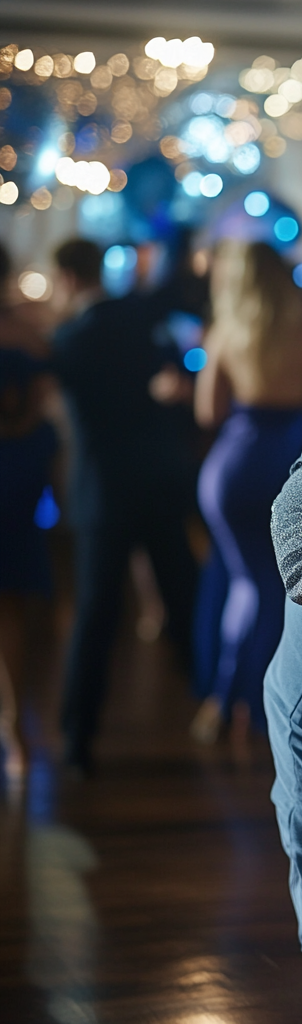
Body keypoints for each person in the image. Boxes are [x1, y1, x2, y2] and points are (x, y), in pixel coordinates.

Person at [50, 239, 198, 774]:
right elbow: (176, 370)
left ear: (65, 277)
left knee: (95, 615)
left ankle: (77, 736)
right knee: (183, 597)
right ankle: (210, 710)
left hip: (103, 488)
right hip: (157, 477)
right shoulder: (137, 316)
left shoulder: (66, 338)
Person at [189, 242, 302, 745]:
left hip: (234, 464)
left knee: (243, 582)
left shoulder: (226, 332)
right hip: (288, 461)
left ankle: (224, 700)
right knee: (282, 587)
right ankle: (269, 701)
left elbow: (208, 412)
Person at [0, 243, 57, 786]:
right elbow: (43, 399)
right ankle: (15, 730)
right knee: (11, 605)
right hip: (17, 466)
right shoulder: (27, 330)